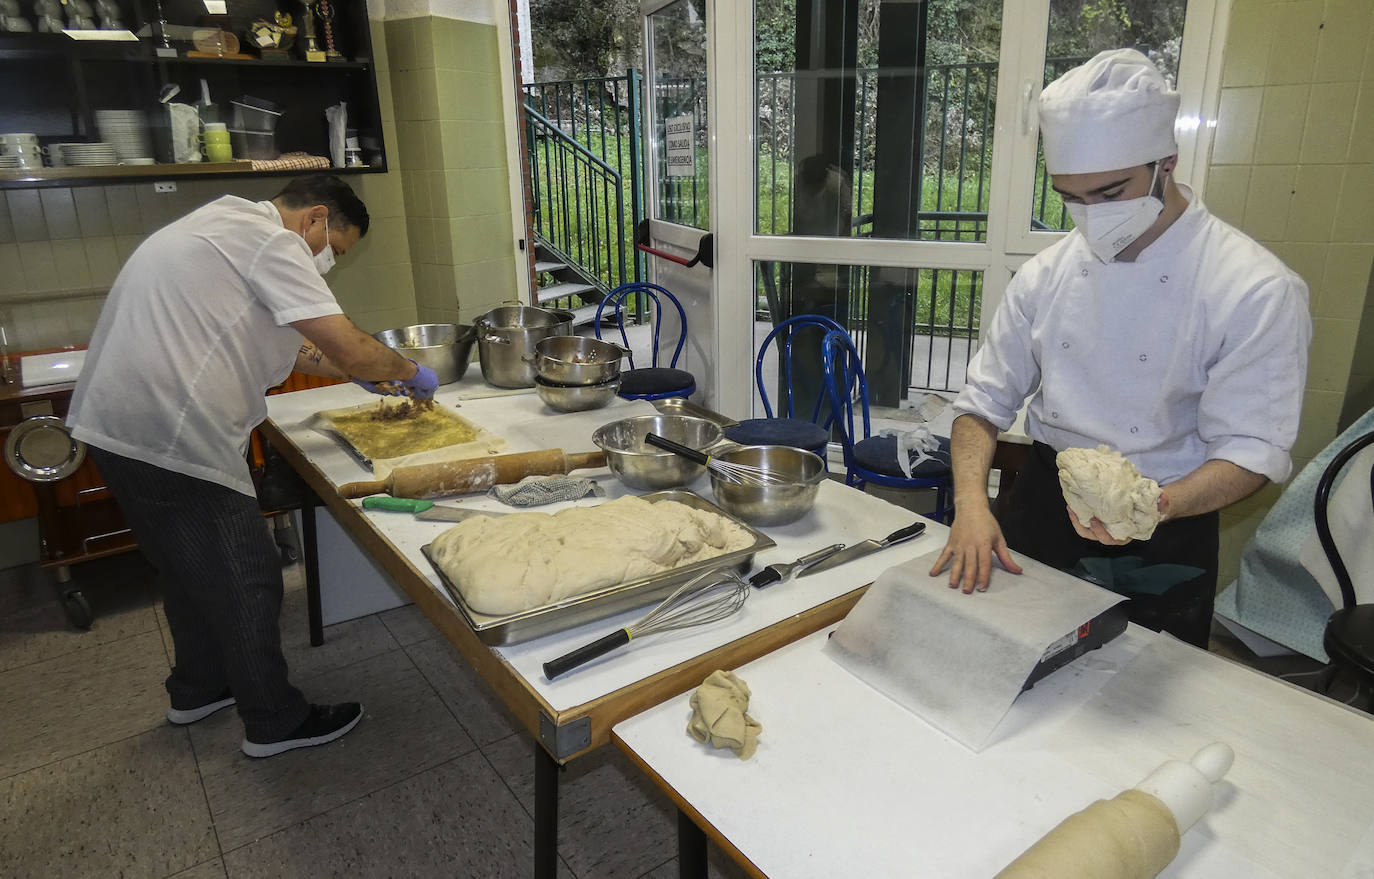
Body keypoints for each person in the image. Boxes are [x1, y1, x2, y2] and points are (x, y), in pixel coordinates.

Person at [929, 49, 1312, 647]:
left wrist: (1150, 506)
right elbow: (981, 405)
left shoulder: (1252, 288)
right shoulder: (1046, 275)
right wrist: (972, 503)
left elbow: (1252, 451)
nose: (1090, 216)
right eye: (1070, 198)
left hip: (1163, 519)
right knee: (1007, 657)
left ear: (1166, 164)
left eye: (1110, 194)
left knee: (1136, 699)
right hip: (1042, 506)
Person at [67, 175, 438, 757]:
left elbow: (299, 346)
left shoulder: (223, 226)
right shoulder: (274, 242)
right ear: (315, 218)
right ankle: (275, 720)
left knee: (189, 573)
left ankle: (198, 688)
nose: (330, 262)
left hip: (117, 429)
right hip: (172, 436)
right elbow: (342, 340)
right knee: (249, 573)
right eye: (335, 249)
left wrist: (353, 371)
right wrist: (412, 371)